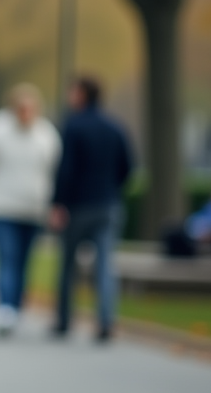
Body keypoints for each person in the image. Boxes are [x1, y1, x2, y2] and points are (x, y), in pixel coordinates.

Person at [0, 83, 61, 337]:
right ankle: (5, 308)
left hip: (33, 208)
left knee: (24, 261)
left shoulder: (45, 133)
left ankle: (17, 306)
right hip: (2, 206)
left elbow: (54, 169)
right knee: (7, 257)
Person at [50, 75, 133, 343]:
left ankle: (64, 320)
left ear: (82, 95)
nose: (69, 97)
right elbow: (127, 166)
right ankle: (106, 321)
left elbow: (66, 170)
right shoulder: (115, 126)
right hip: (108, 204)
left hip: (78, 205)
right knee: (105, 265)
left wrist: (58, 203)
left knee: (67, 264)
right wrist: (112, 189)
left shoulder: (73, 126)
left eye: (72, 92)